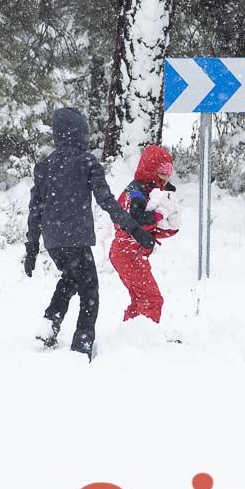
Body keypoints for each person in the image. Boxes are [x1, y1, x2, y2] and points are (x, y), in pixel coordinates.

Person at [24, 108, 155, 359]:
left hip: (53, 241)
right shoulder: (87, 162)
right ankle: (81, 344)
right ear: (79, 132)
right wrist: (135, 230)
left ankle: (49, 324)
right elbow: (107, 201)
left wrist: (31, 247)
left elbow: (35, 209)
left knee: (71, 279)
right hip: (77, 239)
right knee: (90, 293)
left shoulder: (44, 166)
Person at [109, 145, 179, 324]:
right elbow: (136, 219)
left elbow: (145, 228)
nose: (166, 176)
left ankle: (130, 338)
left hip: (130, 253)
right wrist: (160, 215)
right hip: (128, 254)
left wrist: (169, 228)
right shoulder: (136, 189)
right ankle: (145, 341)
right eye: (162, 171)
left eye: (169, 171)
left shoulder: (147, 190)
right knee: (152, 299)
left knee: (140, 300)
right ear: (150, 169)